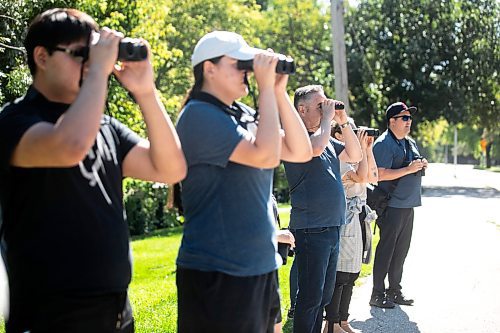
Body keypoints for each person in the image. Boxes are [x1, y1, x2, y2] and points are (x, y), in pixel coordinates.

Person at [0, 8, 187, 332]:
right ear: (41, 57)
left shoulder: (105, 127)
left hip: (115, 310)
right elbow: (68, 146)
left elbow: (170, 169)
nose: (90, 64)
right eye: (80, 54)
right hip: (50, 316)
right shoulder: (15, 120)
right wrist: (100, 69)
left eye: (94, 55)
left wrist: (145, 92)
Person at [175, 31, 312, 333]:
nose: (248, 71)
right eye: (240, 64)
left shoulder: (243, 114)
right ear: (209, 69)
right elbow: (265, 156)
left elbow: (300, 151)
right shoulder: (199, 115)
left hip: (260, 264)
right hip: (218, 271)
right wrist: (264, 88)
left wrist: (278, 92)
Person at [284, 85, 362, 333]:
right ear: (302, 109)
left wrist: (343, 121)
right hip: (311, 228)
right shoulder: (296, 138)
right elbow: (314, 148)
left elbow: (355, 154)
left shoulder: (325, 138)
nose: (325, 109)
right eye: (320, 105)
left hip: (331, 227)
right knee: (309, 297)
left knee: (323, 296)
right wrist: (328, 120)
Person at [369, 102, 428, 308]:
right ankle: (377, 294)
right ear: (391, 121)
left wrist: (420, 164)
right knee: (386, 250)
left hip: (408, 205)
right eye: (404, 118)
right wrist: (409, 169)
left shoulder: (409, 142)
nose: (408, 121)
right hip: (391, 205)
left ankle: (394, 291)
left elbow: (412, 164)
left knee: (401, 250)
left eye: (409, 118)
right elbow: (380, 173)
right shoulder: (384, 144)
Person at [324, 120, 378, 333]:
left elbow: (374, 176)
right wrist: (362, 151)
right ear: (338, 136)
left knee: (353, 273)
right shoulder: (340, 160)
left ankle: (343, 321)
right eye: (349, 131)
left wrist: (368, 149)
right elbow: (362, 176)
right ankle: (332, 323)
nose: (355, 135)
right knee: (340, 275)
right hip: (345, 219)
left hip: (357, 220)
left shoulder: (355, 159)